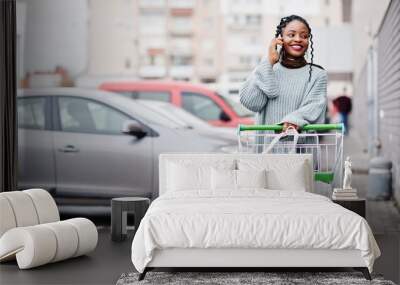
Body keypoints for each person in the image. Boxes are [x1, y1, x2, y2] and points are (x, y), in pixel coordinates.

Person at [239, 15, 327, 132]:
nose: (298, 39)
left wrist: (292, 121)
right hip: (268, 146)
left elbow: (314, 107)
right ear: (280, 39)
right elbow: (252, 103)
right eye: (291, 35)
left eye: (304, 36)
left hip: (301, 147)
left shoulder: (318, 74)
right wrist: (268, 61)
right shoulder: (268, 69)